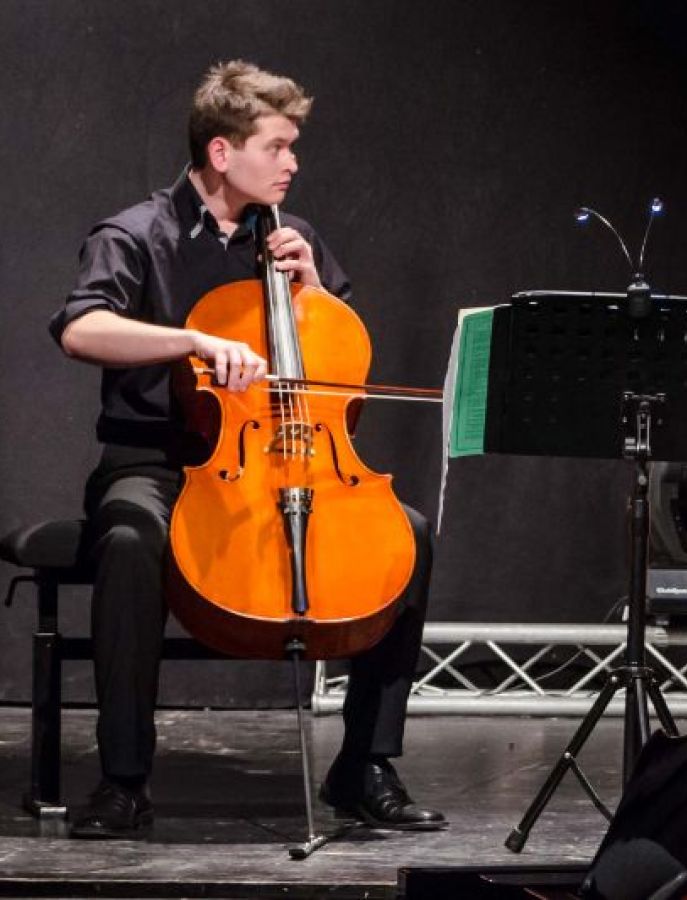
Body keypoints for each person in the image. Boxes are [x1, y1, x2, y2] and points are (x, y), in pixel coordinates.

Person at [50, 60, 445, 839]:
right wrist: (191, 339)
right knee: (131, 539)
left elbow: (335, 355)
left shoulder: (294, 242)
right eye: (278, 146)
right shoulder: (135, 234)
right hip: (155, 463)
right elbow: (79, 329)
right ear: (223, 153)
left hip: (287, 459)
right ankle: (123, 779)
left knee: (412, 533)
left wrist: (315, 294)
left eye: (294, 147)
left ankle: (365, 763)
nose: (293, 163)